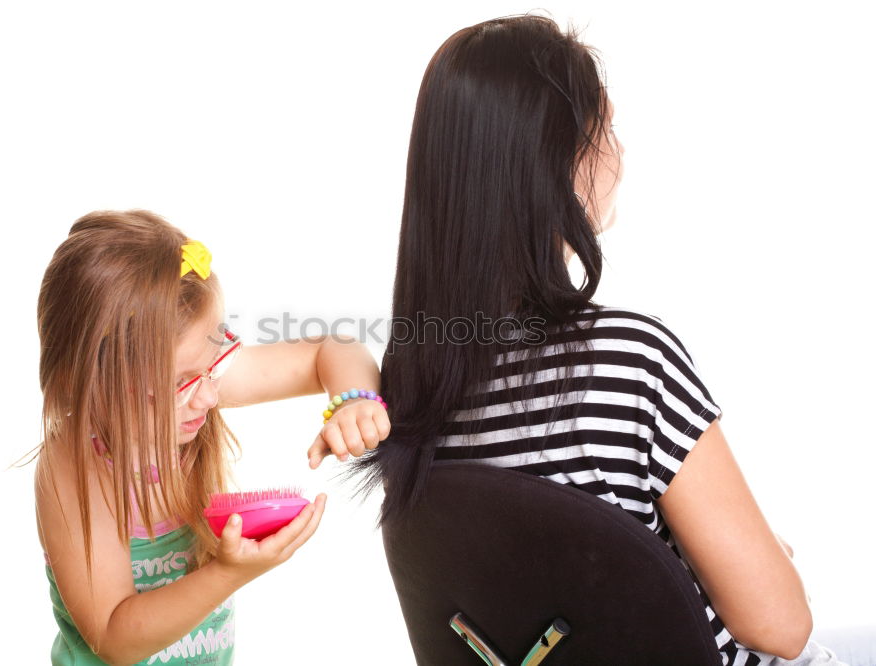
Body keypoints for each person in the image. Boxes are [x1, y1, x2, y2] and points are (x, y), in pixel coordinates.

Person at [352, 14, 846, 666]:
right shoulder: (630, 359)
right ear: (555, 162)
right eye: (605, 130)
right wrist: (762, 561)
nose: (619, 151)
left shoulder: (414, 381)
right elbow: (780, 628)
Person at [34, 209, 390, 665]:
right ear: (92, 383)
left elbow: (331, 348)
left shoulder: (197, 384)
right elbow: (115, 637)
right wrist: (228, 572)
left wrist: (353, 402)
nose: (207, 397)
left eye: (216, 363)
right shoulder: (75, 464)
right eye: (181, 382)